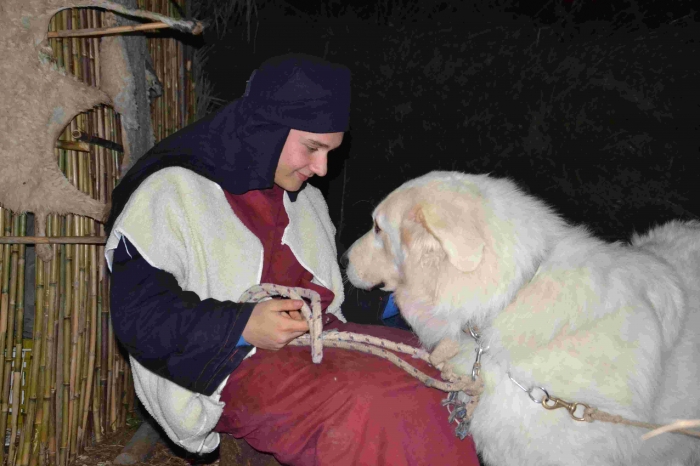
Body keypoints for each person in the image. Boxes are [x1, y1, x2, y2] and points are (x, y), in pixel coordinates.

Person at [105, 53, 480, 465]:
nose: (321, 168)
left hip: (324, 343)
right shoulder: (171, 192)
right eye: (313, 147)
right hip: (227, 362)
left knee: (448, 375)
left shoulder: (304, 200)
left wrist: (417, 306)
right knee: (371, 405)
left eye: (329, 151)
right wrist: (244, 324)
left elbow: (332, 296)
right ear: (266, 129)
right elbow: (140, 317)